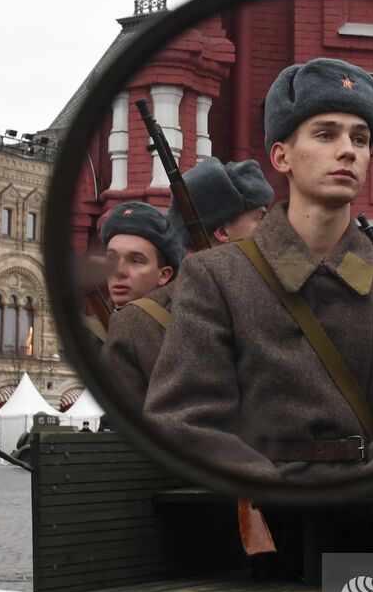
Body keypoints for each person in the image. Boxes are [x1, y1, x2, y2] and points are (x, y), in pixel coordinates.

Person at [144, 57, 373, 484]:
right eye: (326, 134)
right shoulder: (215, 279)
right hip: (255, 527)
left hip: (369, 524)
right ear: (281, 156)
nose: (348, 149)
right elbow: (182, 421)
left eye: (361, 139)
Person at [101, 159, 273, 411]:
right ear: (223, 233)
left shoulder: (277, 301)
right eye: (260, 219)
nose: (270, 231)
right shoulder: (138, 325)